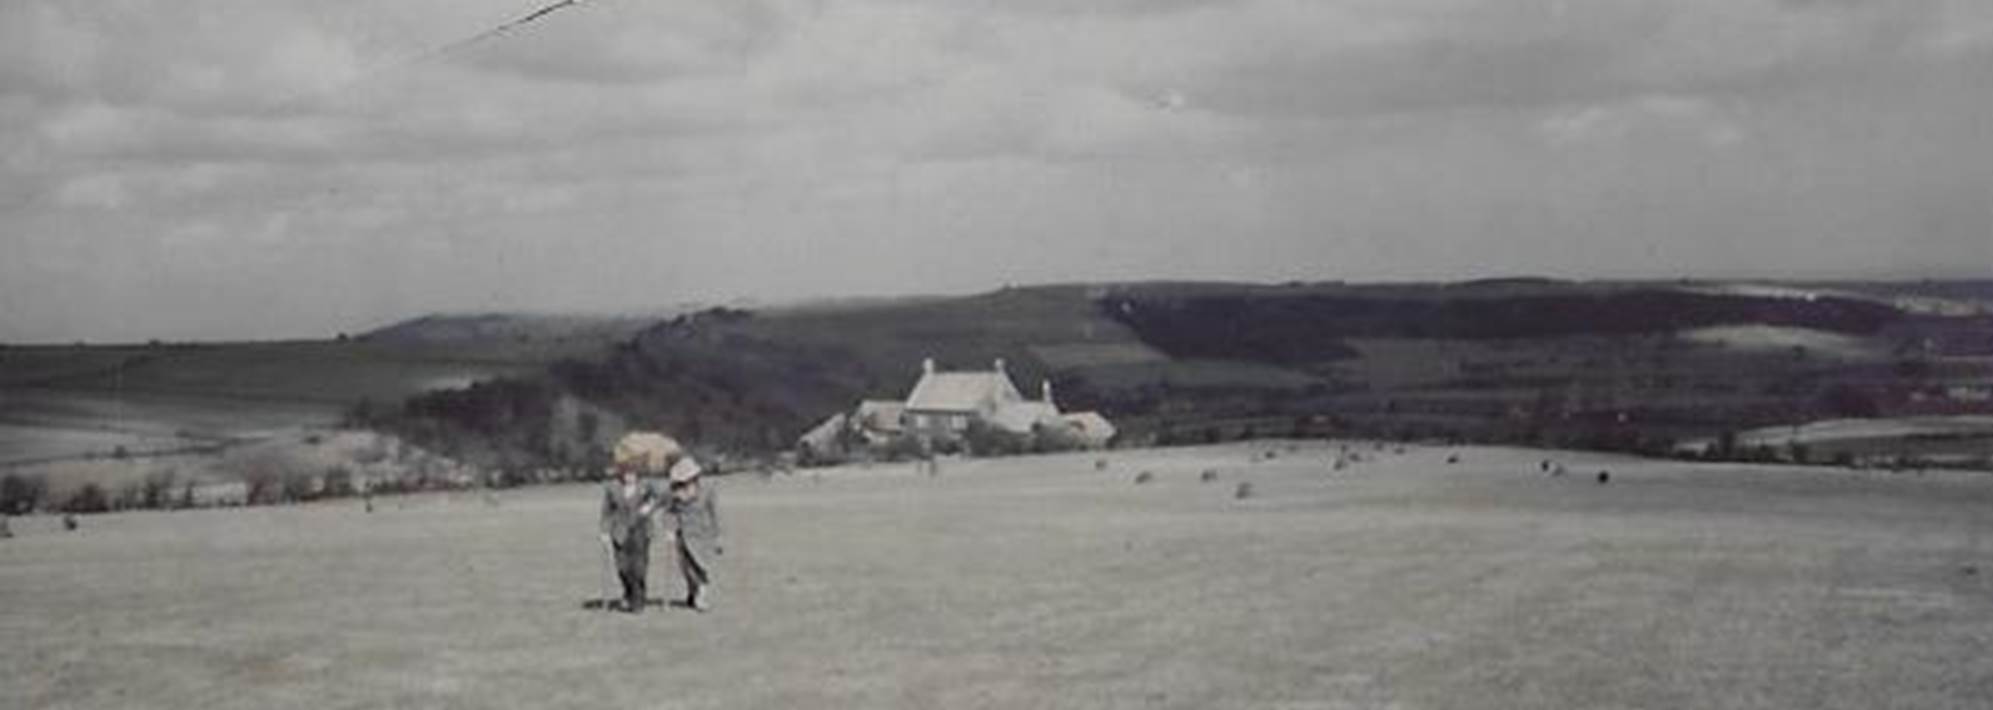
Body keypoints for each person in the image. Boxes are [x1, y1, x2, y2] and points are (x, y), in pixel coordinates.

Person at [600, 432, 676, 613]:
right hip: (619, 532)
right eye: (626, 473)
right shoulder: (612, 488)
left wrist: (649, 508)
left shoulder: (647, 486)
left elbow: (665, 498)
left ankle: (638, 601)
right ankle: (628, 592)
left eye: (632, 473)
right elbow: (606, 511)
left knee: (639, 568)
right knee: (623, 568)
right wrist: (604, 531)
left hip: (641, 531)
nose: (629, 476)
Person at [662, 457, 721, 611]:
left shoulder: (707, 491)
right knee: (686, 568)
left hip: (702, 535)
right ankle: (692, 591)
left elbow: (714, 513)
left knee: (700, 566)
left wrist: (718, 535)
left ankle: (701, 595)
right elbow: (669, 512)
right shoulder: (673, 493)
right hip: (683, 536)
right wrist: (669, 529)